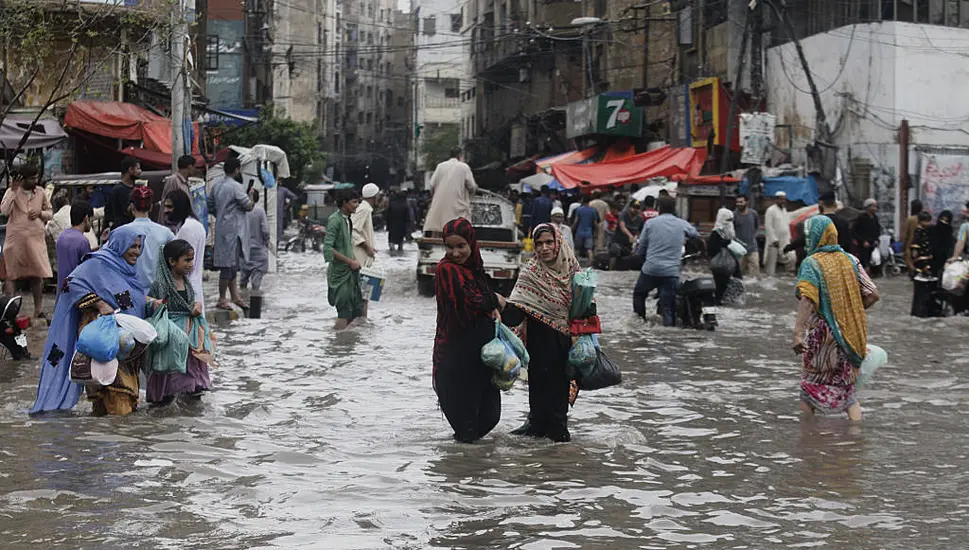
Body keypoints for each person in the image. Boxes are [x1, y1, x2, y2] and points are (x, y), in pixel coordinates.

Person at [30, 225, 149, 415]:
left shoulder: (128, 271)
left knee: (109, 403)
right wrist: (100, 304)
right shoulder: (98, 264)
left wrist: (153, 303)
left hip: (124, 342)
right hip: (102, 339)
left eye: (138, 246)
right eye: (132, 246)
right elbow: (71, 284)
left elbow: (134, 302)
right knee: (116, 396)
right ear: (119, 244)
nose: (136, 251)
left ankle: (100, 438)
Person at [793, 216, 879, 421]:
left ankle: (808, 437)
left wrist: (797, 334)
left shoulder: (811, 263)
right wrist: (852, 311)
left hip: (821, 336)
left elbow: (807, 299)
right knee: (848, 393)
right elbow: (873, 295)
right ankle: (855, 438)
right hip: (850, 334)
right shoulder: (851, 260)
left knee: (809, 389)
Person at [501, 224, 578, 442]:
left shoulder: (572, 269)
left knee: (560, 388)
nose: (544, 248)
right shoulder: (530, 273)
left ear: (558, 243)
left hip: (565, 340)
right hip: (538, 340)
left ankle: (558, 433)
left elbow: (585, 305)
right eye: (539, 244)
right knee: (538, 385)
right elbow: (516, 311)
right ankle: (536, 428)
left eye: (549, 242)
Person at [432, 218, 502, 443]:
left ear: (472, 244)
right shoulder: (446, 270)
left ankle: (469, 469)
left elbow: (485, 301)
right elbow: (473, 301)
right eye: (449, 247)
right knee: (467, 429)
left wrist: (496, 305)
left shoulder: (475, 270)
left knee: (491, 417)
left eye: (461, 246)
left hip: (482, 359)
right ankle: (460, 473)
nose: (455, 252)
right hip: (456, 360)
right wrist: (496, 300)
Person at [146, 239, 214, 405]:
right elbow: (148, 302)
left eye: (192, 259)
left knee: (192, 387)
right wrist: (155, 303)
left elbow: (190, 302)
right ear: (172, 261)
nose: (191, 264)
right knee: (168, 384)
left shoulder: (186, 282)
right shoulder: (161, 284)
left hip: (189, 340)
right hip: (171, 337)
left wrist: (196, 305)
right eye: (187, 260)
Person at [633, 195, 700, 326]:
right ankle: (668, 331)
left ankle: (640, 322)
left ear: (658, 208)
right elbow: (695, 235)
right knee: (668, 306)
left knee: (639, 294)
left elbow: (642, 249)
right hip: (671, 272)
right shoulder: (682, 224)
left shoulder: (650, 223)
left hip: (650, 269)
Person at [1, 165, 53, 319]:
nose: (35, 181)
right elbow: (4, 211)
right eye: (32, 178)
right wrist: (13, 190)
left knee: (37, 276)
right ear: (22, 179)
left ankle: (38, 310)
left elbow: (50, 213)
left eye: (36, 177)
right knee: (11, 276)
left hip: (35, 240)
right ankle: (10, 311)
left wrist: (40, 213)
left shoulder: (41, 192)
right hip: (15, 241)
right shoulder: (11, 192)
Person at [208, 157, 254, 310]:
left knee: (231, 265)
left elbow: (210, 206)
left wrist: (222, 215)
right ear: (236, 170)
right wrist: (252, 196)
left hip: (221, 228)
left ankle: (235, 296)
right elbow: (248, 206)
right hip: (234, 231)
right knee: (227, 267)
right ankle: (222, 298)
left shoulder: (216, 186)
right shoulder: (236, 186)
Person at [324, 190, 364, 329]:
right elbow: (328, 248)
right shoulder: (335, 220)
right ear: (344, 203)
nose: (357, 205)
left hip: (350, 271)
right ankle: (336, 342)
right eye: (354, 202)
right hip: (340, 273)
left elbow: (347, 244)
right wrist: (349, 262)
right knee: (344, 311)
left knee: (357, 308)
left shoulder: (347, 220)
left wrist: (354, 259)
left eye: (357, 201)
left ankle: (344, 343)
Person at [165, 190, 207, 314]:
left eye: (170, 207)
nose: (165, 211)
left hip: (187, 291)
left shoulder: (188, 228)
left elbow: (185, 264)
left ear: (179, 207)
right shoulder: (192, 225)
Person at [128, 186, 175, 291]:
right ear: (151, 207)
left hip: (132, 291)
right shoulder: (166, 233)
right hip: (159, 292)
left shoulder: (121, 233)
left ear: (132, 206)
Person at [422, 147, 478, 234]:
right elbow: (472, 186)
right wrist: (473, 190)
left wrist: (435, 198)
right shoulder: (464, 167)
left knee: (438, 227)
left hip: (440, 206)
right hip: (458, 207)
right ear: (460, 155)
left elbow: (432, 185)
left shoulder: (440, 166)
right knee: (457, 229)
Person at [55, 200, 93, 295]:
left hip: (62, 290)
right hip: (76, 291)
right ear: (86, 218)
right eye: (91, 219)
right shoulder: (83, 241)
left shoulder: (62, 237)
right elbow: (87, 269)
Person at [707, 208, 742, 305]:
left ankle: (732, 302)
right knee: (720, 287)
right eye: (727, 220)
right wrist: (726, 243)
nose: (730, 223)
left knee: (737, 282)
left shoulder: (730, 233)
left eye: (731, 220)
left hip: (732, 263)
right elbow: (711, 248)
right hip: (720, 266)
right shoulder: (716, 233)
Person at [241, 189, 270, 292]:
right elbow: (265, 231)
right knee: (256, 285)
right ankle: (255, 303)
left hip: (244, 251)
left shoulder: (241, 211)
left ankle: (242, 300)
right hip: (258, 251)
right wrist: (266, 242)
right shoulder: (260, 211)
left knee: (242, 282)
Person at [157, 155, 196, 228]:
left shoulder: (185, 183)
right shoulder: (173, 180)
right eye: (194, 167)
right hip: (173, 226)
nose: (195, 170)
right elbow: (167, 203)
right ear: (190, 167)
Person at [910, 212, 936, 318]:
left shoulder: (924, 232)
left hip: (924, 267)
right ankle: (918, 314)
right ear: (922, 221)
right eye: (928, 221)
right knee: (920, 295)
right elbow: (915, 253)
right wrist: (922, 267)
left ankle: (920, 314)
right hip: (921, 269)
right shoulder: (918, 234)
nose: (929, 223)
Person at [105, 156, 141, 230]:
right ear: (130, 169)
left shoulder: (136, 189)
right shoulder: (117, 190)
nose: (140, 171)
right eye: (138, 168)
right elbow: (109, 215)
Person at [763, 191, 792, 276]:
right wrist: (774, 240)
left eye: (784, 199)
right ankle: (769, 281)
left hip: (785, 240)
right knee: (771, 266)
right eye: (780, 199)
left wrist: (789, 237)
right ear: (776, 199)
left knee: (791, 258)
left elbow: (787, 224)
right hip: (774, 241)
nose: (782, 201)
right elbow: (768, 226)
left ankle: (788, 278)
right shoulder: (771, 210)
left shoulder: (784, 210)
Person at [733, 195, 760, 277]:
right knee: (739, 272)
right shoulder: (734, 215)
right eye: (737, 202)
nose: (739, 204)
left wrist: (753, 237)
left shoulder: (753, 214)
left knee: (755, 272)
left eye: (741, 202)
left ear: (746, 202)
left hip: (752, 247)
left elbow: (756, 226)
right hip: (739, 249)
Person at [353, 183, 379, 268]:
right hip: (359, 258)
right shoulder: (364, 209)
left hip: (362, 258)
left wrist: (370, 247)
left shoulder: (365, 209)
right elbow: (351, 231)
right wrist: (367, 247)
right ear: (374, 196)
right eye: (378, 195)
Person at [611, 200, 643, 267]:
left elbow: (640, 232)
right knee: (615, 250)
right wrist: (630, 236)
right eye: (634, 208)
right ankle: (611, 269)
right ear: (629, 207)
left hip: (629, 245)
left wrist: (636, 241)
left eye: (637, 208)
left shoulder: (640, 219)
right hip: (618, 242)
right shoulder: (623, 215)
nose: (635, 210)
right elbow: (622, 227)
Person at [852, 198, 881, 272]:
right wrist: (863, 241)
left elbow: (877, 230)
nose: (875, 208)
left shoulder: (875, 218)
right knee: (864, 262)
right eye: (873, 206)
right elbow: (854, 231)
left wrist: (876, 240)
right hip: (863, 244)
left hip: (872, 243)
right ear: (867, 207)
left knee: (873, 260)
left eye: (875, 206)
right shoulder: (861, 218)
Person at [571, 195, 600, 264]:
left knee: (577, 249)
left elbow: (576, 221)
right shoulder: (593, 210)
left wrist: (571, 229)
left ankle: (575, 263)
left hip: (579, 232)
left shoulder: (579, 209)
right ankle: (590, 263)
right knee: (589, 249)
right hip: (589, 232)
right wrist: (597, 232)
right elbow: (595, 223)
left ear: (582, 200)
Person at [929, 210, 954, 278]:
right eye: (942, 220)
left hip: (944, 254)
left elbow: (950, 242)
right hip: (933, 254)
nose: (943, 222)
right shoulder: (933, 229)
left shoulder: (949, 230)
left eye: (946, 221)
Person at [903, 199, 924, 272]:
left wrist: (904, 245)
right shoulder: (923, 218)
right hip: (922, 243)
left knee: (910, 261)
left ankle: (914, 273)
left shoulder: (910, 219)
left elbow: (906, 234)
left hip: (911, 243)